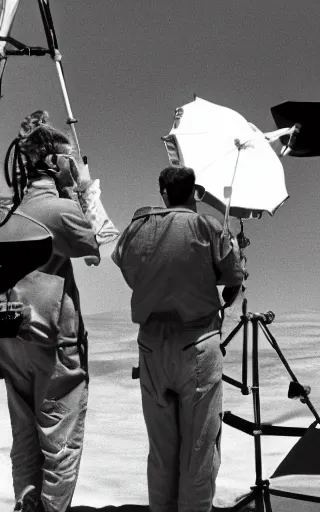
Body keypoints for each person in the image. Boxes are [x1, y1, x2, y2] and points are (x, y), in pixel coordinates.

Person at [0, 110, 118, 512]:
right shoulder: (59, 210)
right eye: (67, 158)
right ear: (53, 162)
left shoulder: (6, 213)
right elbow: (98, 248)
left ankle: (25, 504)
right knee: (60, 444)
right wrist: (86, 193)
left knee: (25, 439)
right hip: (53, 344)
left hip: (11, 341)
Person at [112, 165, 244, 512]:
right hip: (197, 342)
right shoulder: (208, 226)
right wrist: (234, 249)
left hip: (151, 345)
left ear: (163, 193)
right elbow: (232, 277)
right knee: (199, 447)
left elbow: (126, 267)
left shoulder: (136, 228)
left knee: (161, 448)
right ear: (195, 192)